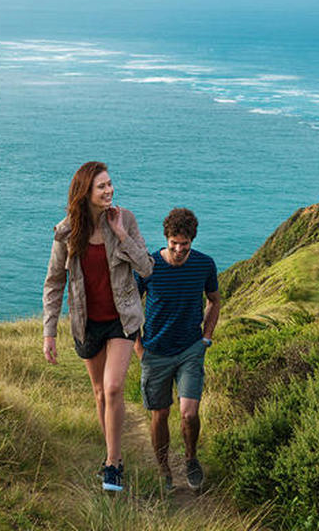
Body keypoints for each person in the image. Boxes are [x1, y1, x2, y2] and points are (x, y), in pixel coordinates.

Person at [42, 161, 153, 492]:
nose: (109, 190)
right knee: (100, 393)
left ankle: (113, 464)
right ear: (85, 193)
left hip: (122, 319)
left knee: (114, 387)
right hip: (86, 323)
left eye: (110, 184)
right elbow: (53, 283)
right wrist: (49, 332)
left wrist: (120, 234)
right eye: (101, 186)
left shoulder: (125, 219)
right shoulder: (65, 232)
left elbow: (146, 268)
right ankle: (111, 455)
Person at [135, 208, 221, 491]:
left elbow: (214, 300)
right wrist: (138, 348)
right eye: (174, 242)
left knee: (189, 414)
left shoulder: (204, 265)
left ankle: (191, 458)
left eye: (185, 244)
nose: (179, 248)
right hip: (155, 351)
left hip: (189, 350)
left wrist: (206, 337)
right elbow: (131, 307)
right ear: (166, 238)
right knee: (159, 415)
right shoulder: (148, 266)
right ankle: (163, 469)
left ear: (192, 241)